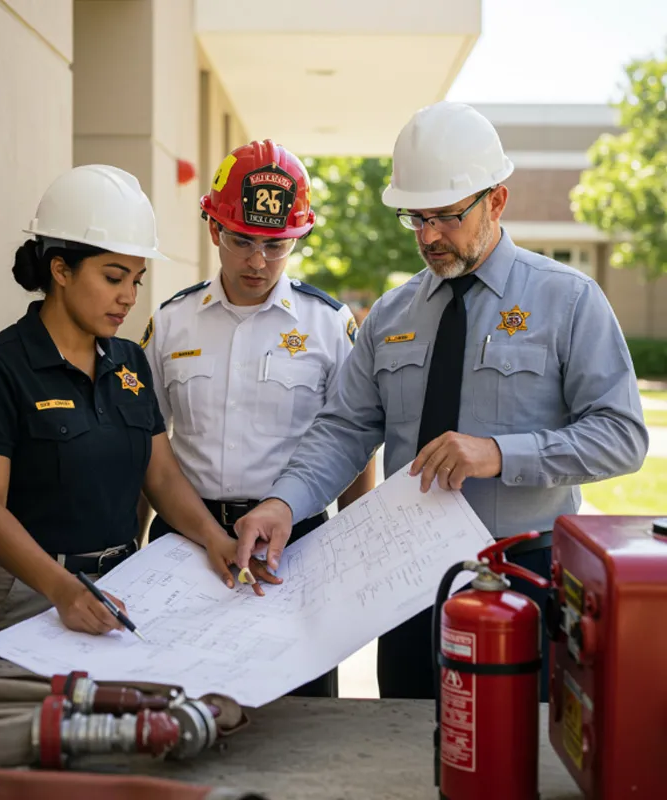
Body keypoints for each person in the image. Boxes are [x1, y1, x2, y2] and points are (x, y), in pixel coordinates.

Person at [232, 102, 649, 700]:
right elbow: (344, 430)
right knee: (401, 749)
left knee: (511, 762)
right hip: (405, 588)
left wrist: (500, 453)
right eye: (415, 218)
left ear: (496, 201)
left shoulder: (569, 301)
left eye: (447, 217)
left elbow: (622, 436)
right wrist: (284, 503)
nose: (428, 236)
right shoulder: (393, 315)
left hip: (520, 581)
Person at [0, 164, 248, 658]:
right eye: (113, 277)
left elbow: (165, 480)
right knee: (15, 733)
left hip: (121, 588)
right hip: (23, 594)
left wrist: (216, 539)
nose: (129, 297)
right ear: (60, 270)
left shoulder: (129, 361)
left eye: (136, 278)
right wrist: (62, 588)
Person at [138, 139, 376, 697]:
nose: (258, 261)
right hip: (186, 546)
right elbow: (146, 448)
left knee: (300, 714)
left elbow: (354, 444)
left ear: (298, 239)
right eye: (243, 240)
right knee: (183, 702)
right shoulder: (171, 324)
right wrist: (129, 547)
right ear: (214, 229)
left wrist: (352, 561)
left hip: (295, 549)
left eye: (277, 245)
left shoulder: (328, 324)